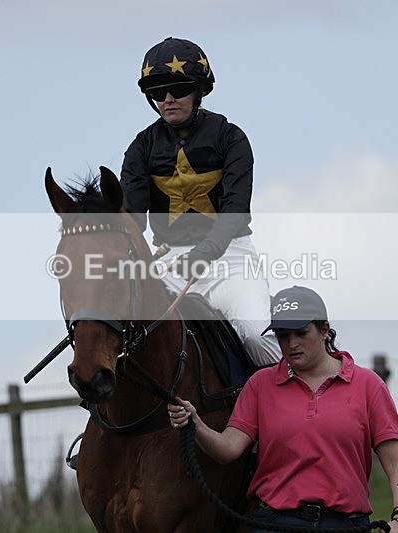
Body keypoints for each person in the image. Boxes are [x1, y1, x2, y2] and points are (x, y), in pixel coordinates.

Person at [167, 286, 398, 532]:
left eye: (301, 333)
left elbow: (396, 461)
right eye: (283, 336)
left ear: (324, 330)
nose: (291, 344)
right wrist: (195, 424)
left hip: (346, 524)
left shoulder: (367, 385)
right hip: (273, 524)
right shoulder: (260, 384)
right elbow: (228, 449)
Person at [120, 37, 281, 367]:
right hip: (168, 264)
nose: (167, 99)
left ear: (198, 90)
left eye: (177, 89)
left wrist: (204, 253)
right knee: (122, 332)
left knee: (257, 338)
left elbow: (235, 210)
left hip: (230, 258)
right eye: (157, 92)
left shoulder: (231, 138)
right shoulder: (140, 149)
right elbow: (132, 219)